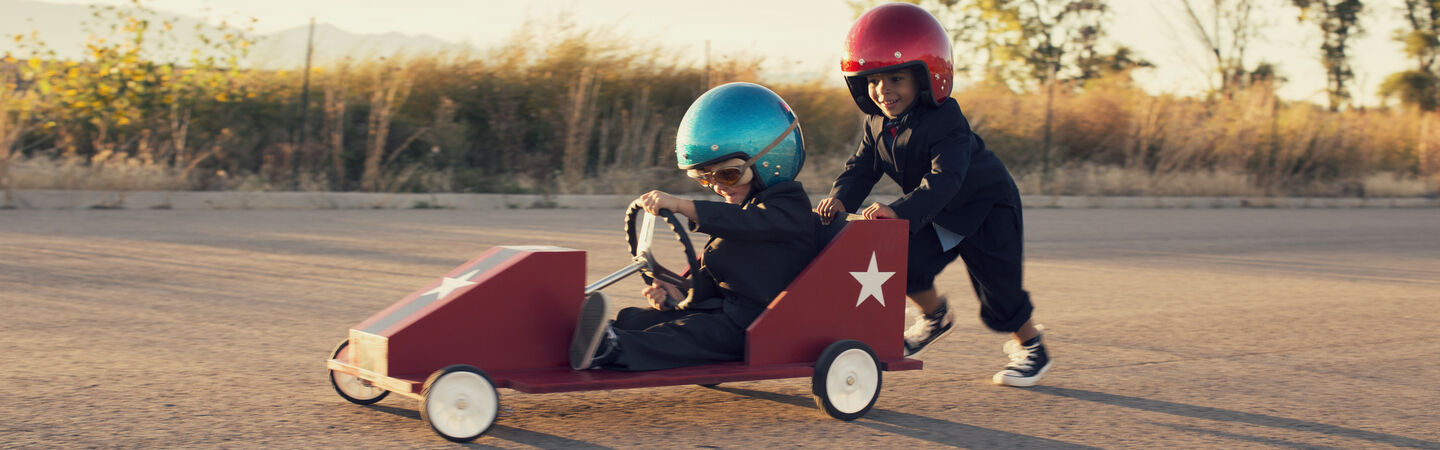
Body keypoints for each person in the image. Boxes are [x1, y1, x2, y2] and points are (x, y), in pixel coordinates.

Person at [814, 3, 1051, 387]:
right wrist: (840, 200)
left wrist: (899, 211)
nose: (883, 91)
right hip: (936, 212)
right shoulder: (876, 122)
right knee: (899, 264)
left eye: (896, 79)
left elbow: (946, 178)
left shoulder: (946, 120)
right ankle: (935, 316)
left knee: (999, 289)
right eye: (873, 80)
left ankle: (1031, 347)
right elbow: (861, 167)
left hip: (985, 208)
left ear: (926, 79)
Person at [570, 82, 815, 372]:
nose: (718, 187)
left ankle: (611, 348)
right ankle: (599, 335)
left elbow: (748, 224)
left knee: (685, 335)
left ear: (769, 162)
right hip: (721, 311)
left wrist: (682, 205)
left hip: (755, 325)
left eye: (728, 174)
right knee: (639, 318)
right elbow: (716, 278)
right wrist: (679, 292)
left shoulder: (789, 210)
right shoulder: (742, 209)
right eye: (706, 179)